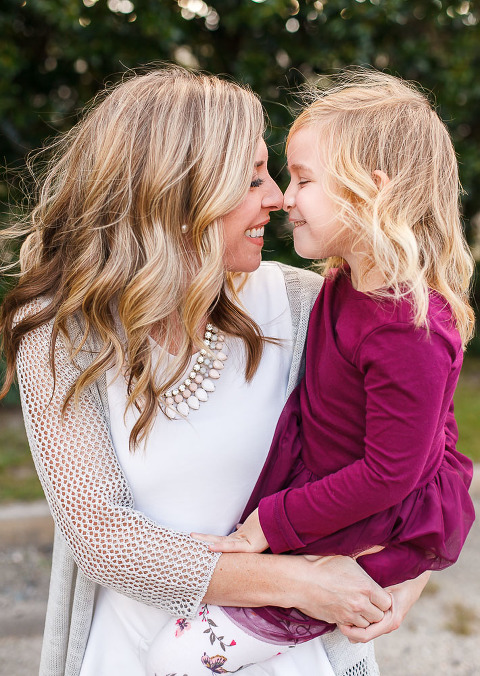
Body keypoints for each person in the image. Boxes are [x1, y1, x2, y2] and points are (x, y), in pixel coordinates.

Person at [0, 67, 428, 676]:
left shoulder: (308, 305)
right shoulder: (61, 335)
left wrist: (408, 574)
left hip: (292, 659)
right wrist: (300, 584)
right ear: (177, 195)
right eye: (252, 179)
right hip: (131, 657)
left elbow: (420, 452)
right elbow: (101, 537)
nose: (278, 197)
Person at [146, 70, 476, 675]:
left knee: (174, 657)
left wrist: (266, 528)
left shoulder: (408, 330)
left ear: (371, 191)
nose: (286, 198)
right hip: (320, 502)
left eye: (303, 179)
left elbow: (390, 472)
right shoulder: (344, 283)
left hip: (356, 525)